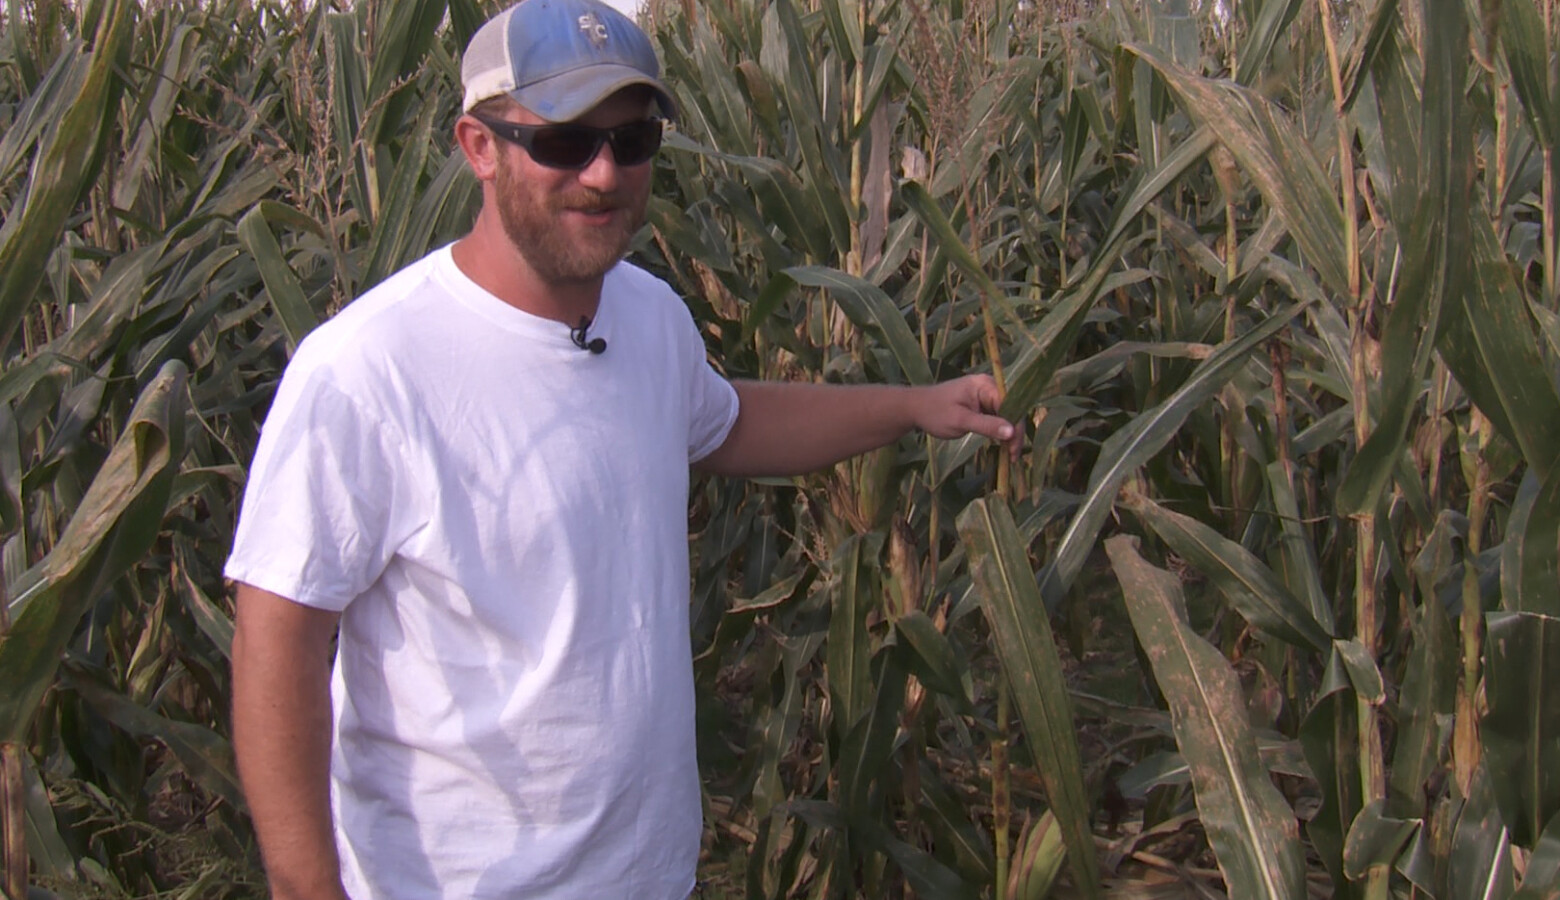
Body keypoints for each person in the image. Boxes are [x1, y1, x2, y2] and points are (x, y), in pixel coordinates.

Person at [225, 0, 1021, 897]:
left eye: (634, 139)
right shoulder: (368, 371)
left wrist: (916, 406)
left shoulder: (647, 314)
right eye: (564, 142)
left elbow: (726, 423)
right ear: (478, 147)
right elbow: (279, 640)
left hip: (648, 872)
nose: (603, 173)